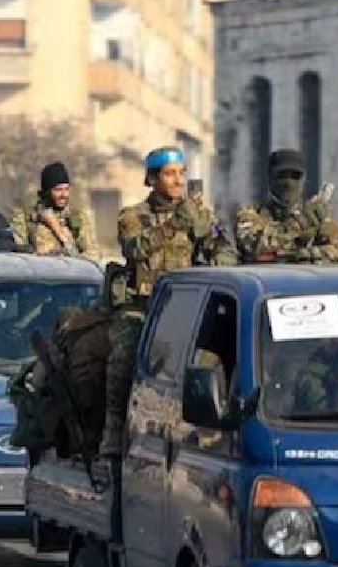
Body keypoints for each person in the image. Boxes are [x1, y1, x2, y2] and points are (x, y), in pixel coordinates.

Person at [101, 147, 237, 457]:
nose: (178, 181)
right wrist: (175, 223)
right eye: (170, 174)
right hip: (144, 307)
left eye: (181, 173)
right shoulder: (133, 215)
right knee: (123, 359)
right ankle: (113, 433)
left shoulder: (197, 214)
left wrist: (219, 259)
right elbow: (135, 248)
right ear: (152, 179)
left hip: (186, 306)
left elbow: (222, 246)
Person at [235, 149, 338, 264]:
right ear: (270, 178)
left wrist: (302, 254)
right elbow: (257, 246)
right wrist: (303, 222)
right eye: (282, 176)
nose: (288, 183)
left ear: (304, 180)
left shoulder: (316, 216)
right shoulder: (250, 215)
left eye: (295, 176)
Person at [11, 161, 100, 260]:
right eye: (58, 190)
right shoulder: (26, 216)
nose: (64, 195)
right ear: (47, 192)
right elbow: (17, 251)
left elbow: (92, 255)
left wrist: (62, 238)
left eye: (66, 189)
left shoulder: (78, 216)